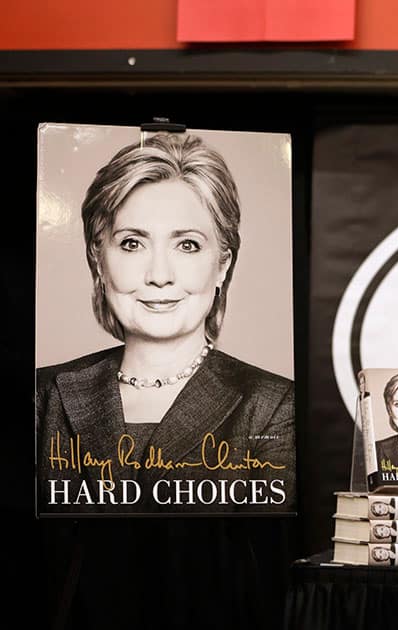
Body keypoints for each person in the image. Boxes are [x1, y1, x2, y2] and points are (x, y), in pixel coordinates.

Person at [36, 132, 296, 514]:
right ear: (98, 258)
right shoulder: (42, 397)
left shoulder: (274, 406)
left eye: (187, 244)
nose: (159, 275)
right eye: (131, 243)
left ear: (223, 262)